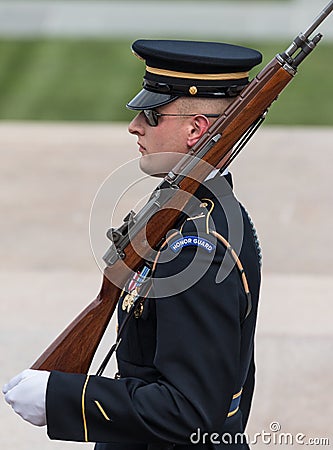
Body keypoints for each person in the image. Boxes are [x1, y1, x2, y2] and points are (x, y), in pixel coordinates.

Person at [3, 39, 262, 449]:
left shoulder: (192, 250)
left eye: (151, 115)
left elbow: (189, 411)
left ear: (196, 129)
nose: (134, 126)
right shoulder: (190, 210)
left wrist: (63, 398)